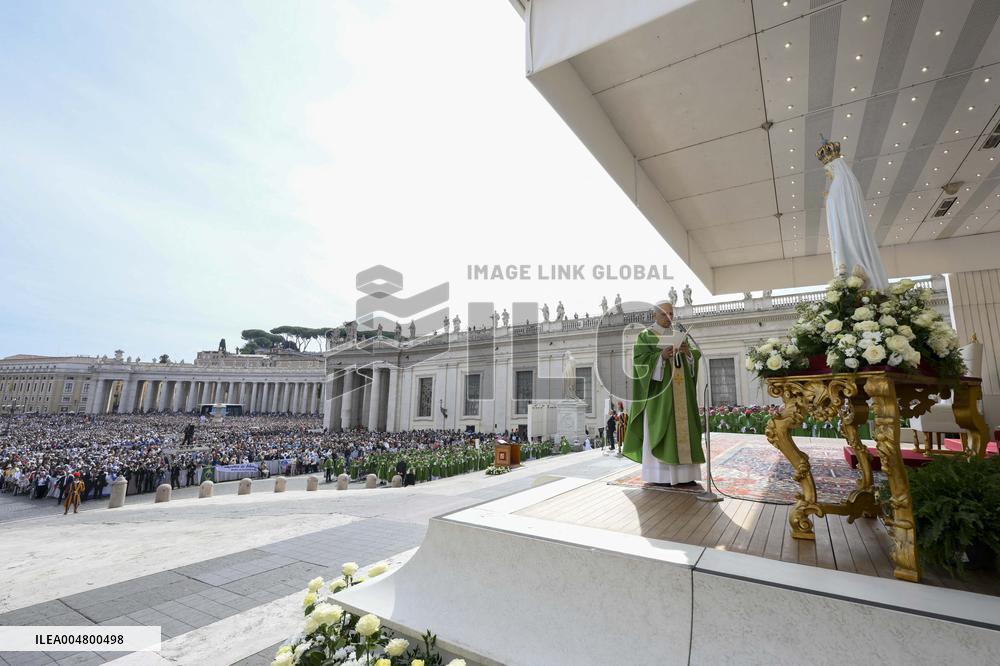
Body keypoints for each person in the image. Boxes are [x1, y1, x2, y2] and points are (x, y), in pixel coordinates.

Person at [623, 300, 705, 485]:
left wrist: (689, 354)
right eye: (664, 314)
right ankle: (660, 476)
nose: (669, 318)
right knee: (664, 430)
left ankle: (686, 475)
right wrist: (660, 356)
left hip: (682, 395)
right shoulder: (645, 336)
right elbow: (640, 362)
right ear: (654, 315)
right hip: (660, 398)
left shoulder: (679, 335)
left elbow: (694, 356)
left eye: (671, 314)